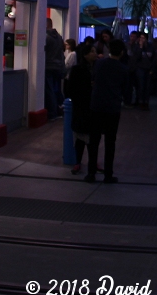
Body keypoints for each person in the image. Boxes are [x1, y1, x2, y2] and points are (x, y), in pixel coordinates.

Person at [86, 39, 127, 183]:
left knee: (94, 140)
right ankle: (108, 174)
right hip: (113, 107)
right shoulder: (123, 69)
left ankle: (91, 173)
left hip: (97, 105)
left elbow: (94, 78)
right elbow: (125, 89)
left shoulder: (99, 64)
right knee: (110, 141)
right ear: (121, 52)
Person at [63, 41, 96, 174]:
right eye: (92, 51)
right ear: (85, 55)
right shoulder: (78, 70)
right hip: (82, 107)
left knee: (91, 137)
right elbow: (70, 89)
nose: (95, 54)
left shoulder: (97, 68)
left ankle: (91, 162)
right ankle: (78, 161)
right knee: (81, 136)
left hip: (92, 107)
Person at [44, 22, 66, 120]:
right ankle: (60, 109)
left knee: (49, 90)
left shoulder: (46, 37)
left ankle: (52, 113)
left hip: (48, 66)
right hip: (58, 66)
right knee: (56, 89)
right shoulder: (59, 37)